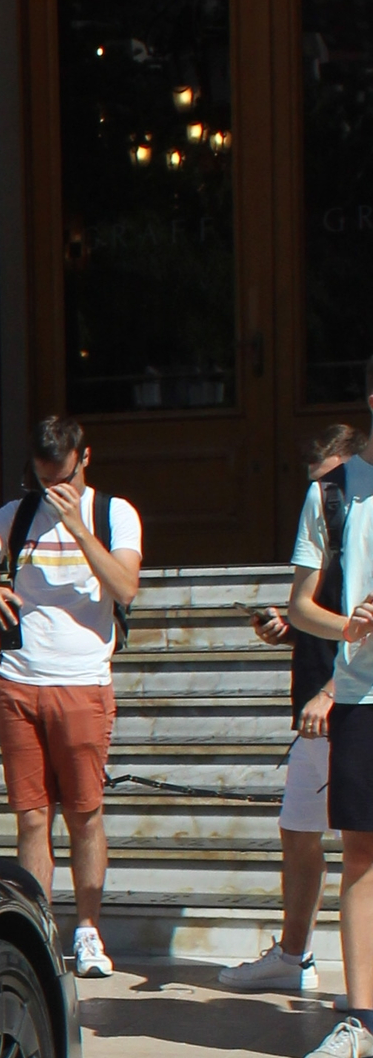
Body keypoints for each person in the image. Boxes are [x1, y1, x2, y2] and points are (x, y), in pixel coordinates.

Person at [0, 413, 142, 980]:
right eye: (42, 476)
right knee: (32, 817)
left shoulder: (114, 514)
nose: (52, 488)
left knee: (84, 814)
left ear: (84, 457)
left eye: (62, 475)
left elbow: (126, 586)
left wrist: (79, 527)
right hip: (20, 679)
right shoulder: (16, 514)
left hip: (82, 682)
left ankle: (87, 930)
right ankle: (40, 924)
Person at [227, 411, 370, 997]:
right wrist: (290, 625)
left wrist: (331, 690)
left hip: (340, 697)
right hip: (332, 694)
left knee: (342, 841)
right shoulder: (332, 512)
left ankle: (302, 958)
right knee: (303, 830)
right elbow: (321, 605)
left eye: (334, 480)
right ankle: (296, 954)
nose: (331, 497)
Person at [283, 419, 373, 1058]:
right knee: (362, 856)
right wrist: (349, 627)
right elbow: (300, 605)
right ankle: (362, 1019)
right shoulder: (333, 496)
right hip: (362, 695)